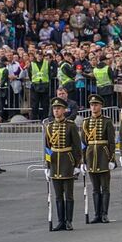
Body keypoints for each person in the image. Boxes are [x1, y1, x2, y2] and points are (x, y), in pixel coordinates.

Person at [45, 97, 82, 231]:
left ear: (64, 110)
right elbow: (47, 148)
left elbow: (77, 147)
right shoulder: (49, 127)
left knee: (69, 195)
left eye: (58, 108)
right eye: (54, 108)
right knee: (58, 195)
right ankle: (60, 221)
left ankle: (69, 221)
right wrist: (47, 166)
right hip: (55, 163)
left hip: (67, 162)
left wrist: (77, 165)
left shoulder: (70, 125)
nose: (56, 111)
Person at [80, 94, 116, 223]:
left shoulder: (107, 121)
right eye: (91, 105)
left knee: (105, 187)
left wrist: (112, 159)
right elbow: (83, 143)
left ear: (101, 106)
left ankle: (104, 213)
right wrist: (82, 161)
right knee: (95, 188)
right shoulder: (86, 122)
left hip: (103, 156)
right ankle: (97, 214)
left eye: (96, 105)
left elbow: (111, 142)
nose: (93, 107)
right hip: (91, 157)